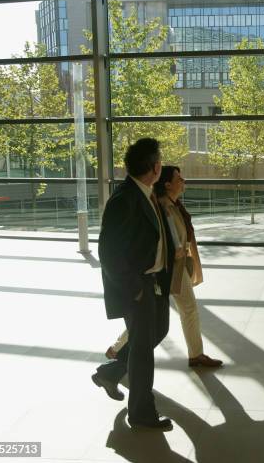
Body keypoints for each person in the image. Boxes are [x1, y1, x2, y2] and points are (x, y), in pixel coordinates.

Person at [91, 138, 175, 431]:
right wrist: (134, 288)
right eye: (160, 160)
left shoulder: (147, 193)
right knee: (142, 351)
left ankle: (111, 371)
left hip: (154, 281)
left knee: (159, 330)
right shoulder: (125, 198)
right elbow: (109, 252)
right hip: (138, 286)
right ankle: (141, 412)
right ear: (154, 167)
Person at [105, 165, 222, 368]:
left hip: (176, 265)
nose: (183, 181)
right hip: (168, 268)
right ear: (167, 184)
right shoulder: (162, 207)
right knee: (180, 310)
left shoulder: (174, 205)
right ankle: (195, 355)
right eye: (179, 178)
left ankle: (116, 348)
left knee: (155, 315)